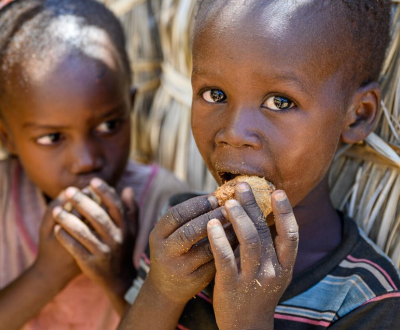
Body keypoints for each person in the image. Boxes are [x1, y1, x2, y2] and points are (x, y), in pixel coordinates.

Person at [119, 0, 400, 329]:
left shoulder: (363, 299)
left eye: (280, 102)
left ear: (358, 115)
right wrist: (162, 291)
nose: (234, 133)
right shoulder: (182, 239)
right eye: (214, 94)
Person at [0, 0, 188, 329]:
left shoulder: (166, 205)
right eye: (52, 137)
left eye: (108, 126)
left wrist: (120, 279)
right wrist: (47, 274)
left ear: (129, 108)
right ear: (7, 137)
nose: (86, 161)